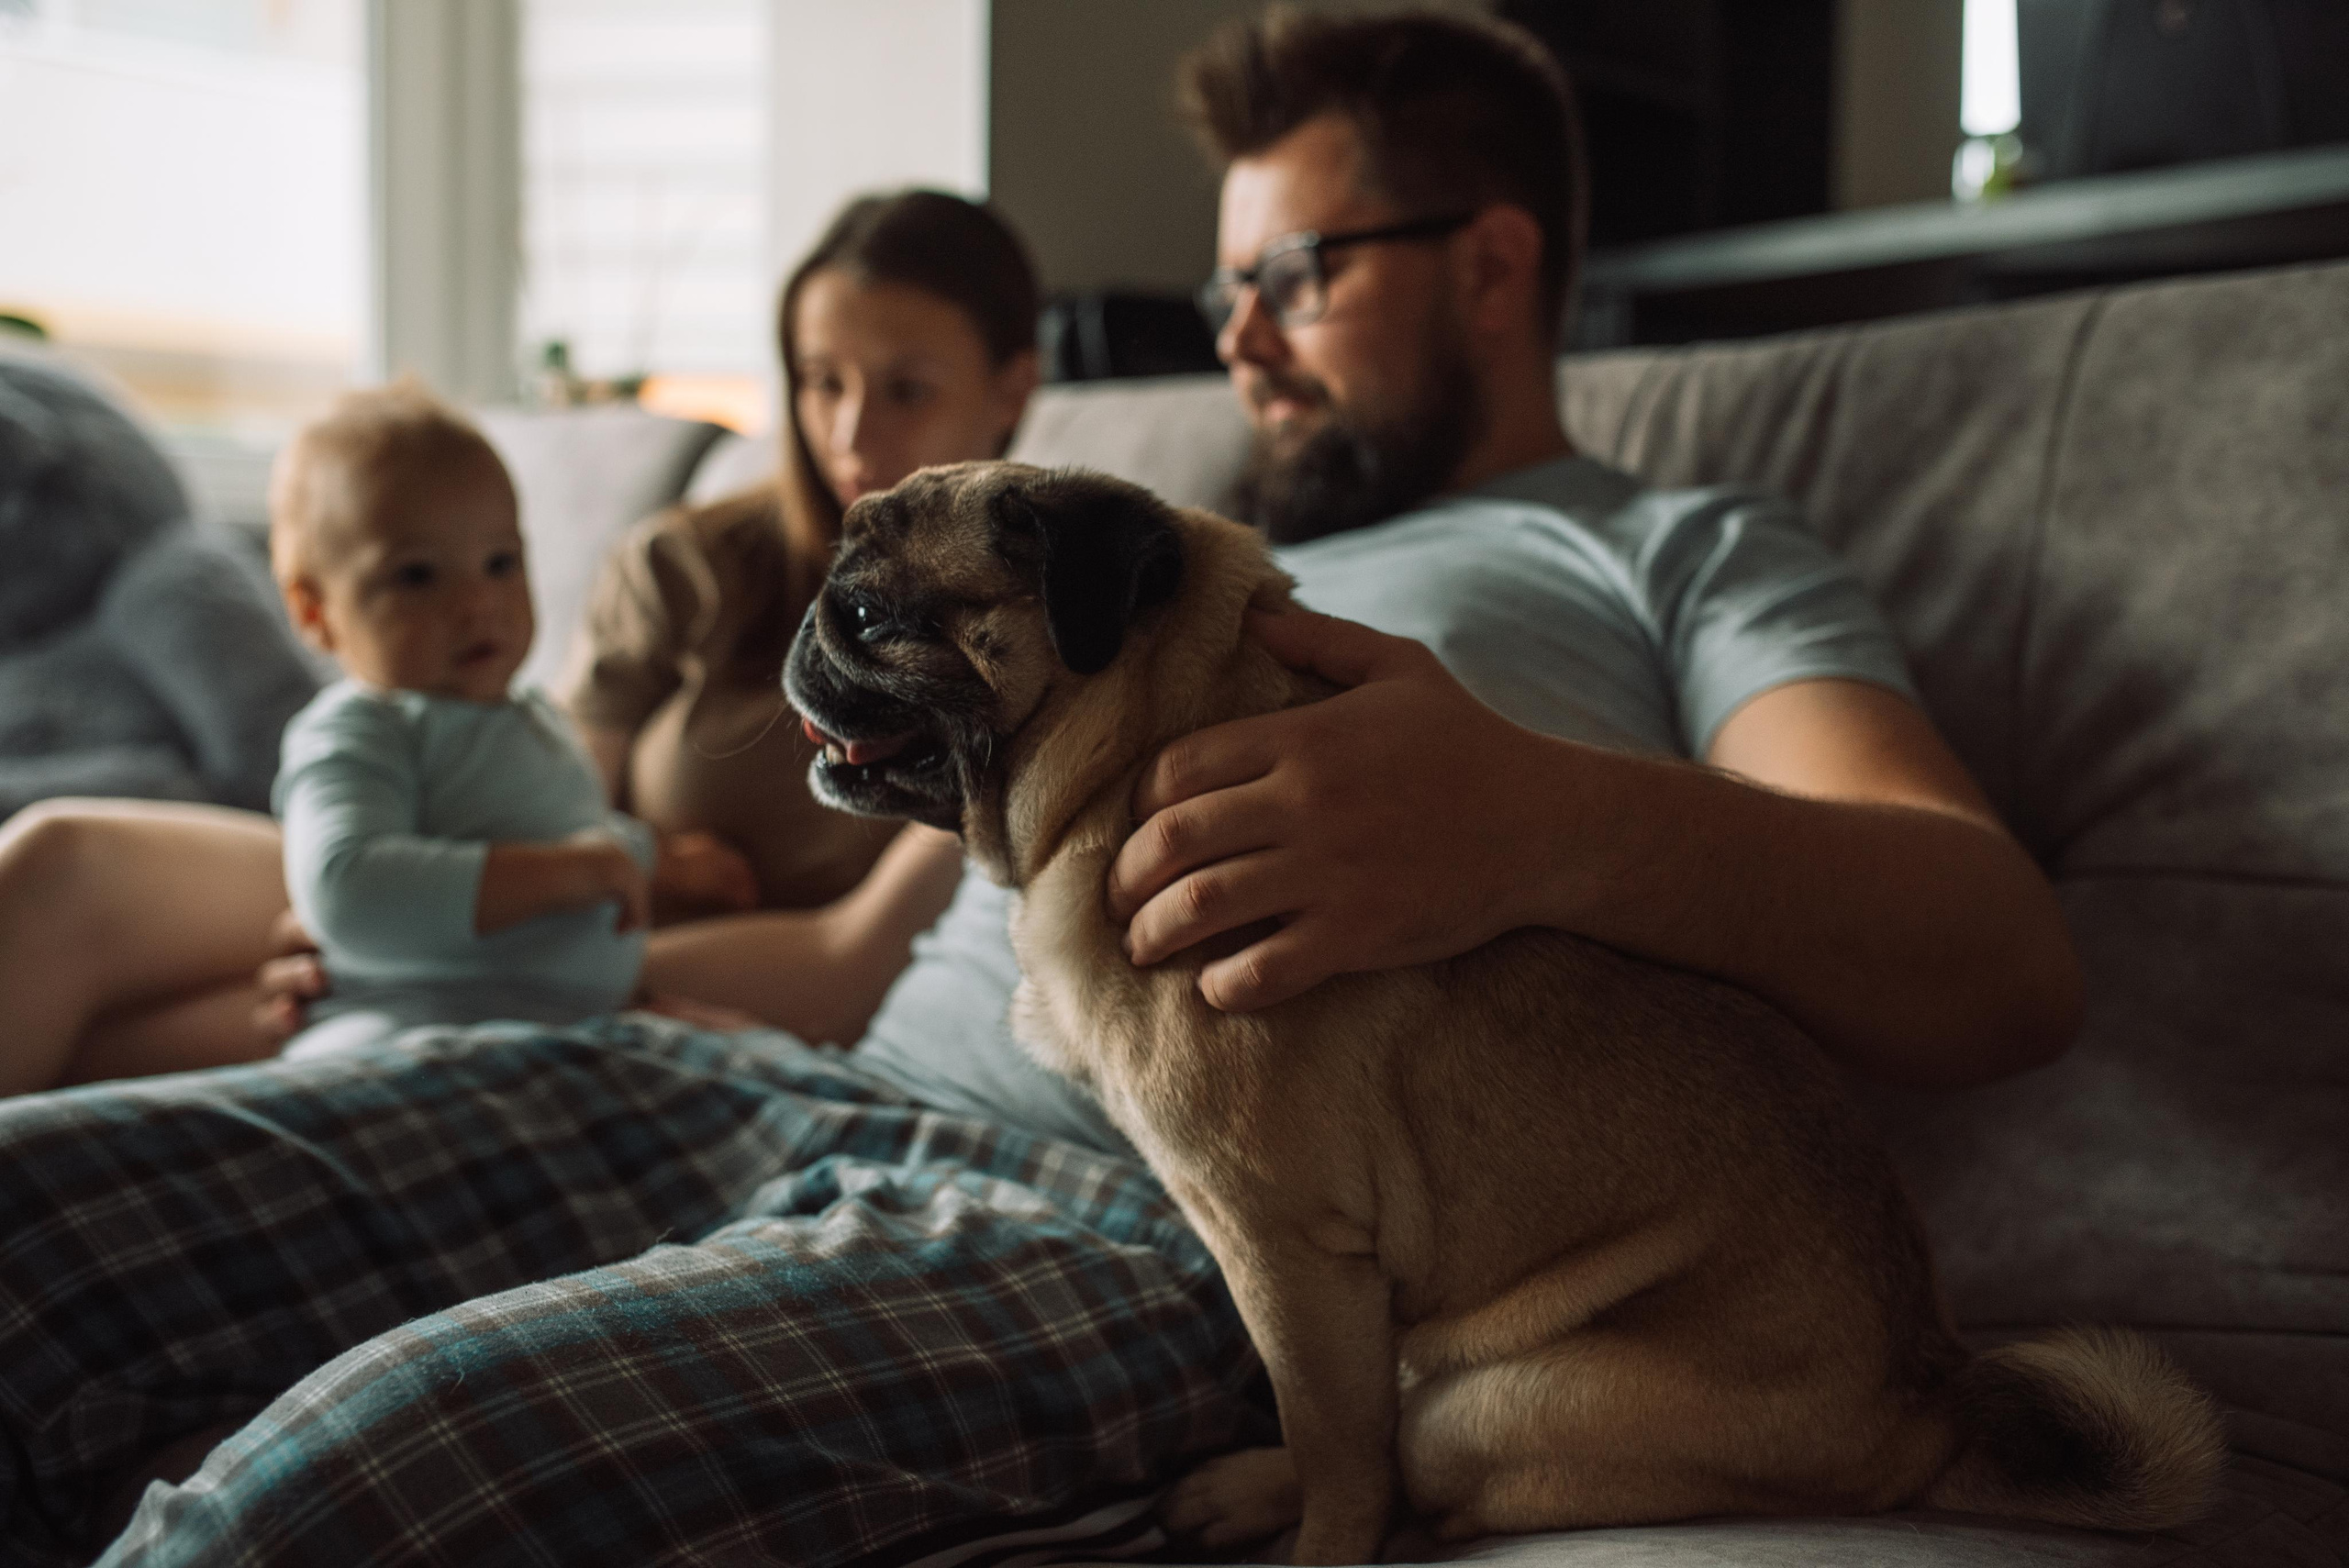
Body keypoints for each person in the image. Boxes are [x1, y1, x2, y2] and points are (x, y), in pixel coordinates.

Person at [0, 14, 2079, 1566]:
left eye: (1296, 273)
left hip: (1131, 1205)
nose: (1238, 340)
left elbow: (1992, 956)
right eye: (1223, 288)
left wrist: (1537, 818)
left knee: (336, 1496)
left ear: (1490, 260)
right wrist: (504, 961)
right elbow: (865, 947)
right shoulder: (1115, 571)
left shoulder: (1672, 550)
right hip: (780, 1080)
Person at [0, 188, 1036, 1095]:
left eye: (905, 389)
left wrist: (440, 960)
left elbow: (852, 960)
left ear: (1011, 388)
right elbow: (536, 786)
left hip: (592, 975)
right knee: (59, 863)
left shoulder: (1032, 647)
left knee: (106, 1051)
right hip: (482, 868)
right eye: (820, 381)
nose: (849, 433)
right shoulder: (693, 564)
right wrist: (386, 911)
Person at [266, 385, 659, 1057]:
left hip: (562, 1030)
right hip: (408, 1021)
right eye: (418, 575)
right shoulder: (361, 728)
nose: (478, 603)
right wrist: (572, 873)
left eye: (501, 563)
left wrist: (652, 862)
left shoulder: (535, 717)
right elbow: (345, 889)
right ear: (315, 611)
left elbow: (565, 843)